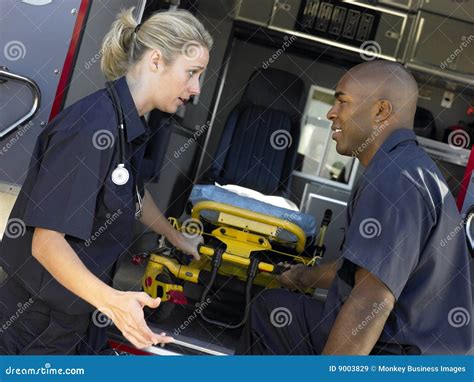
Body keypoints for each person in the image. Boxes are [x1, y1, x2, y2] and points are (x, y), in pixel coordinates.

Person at [0, 8, 213, 355]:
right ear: (156, 61)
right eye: (192, 73)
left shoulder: (128, 126)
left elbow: (131, 195)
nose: (195, 89)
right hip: (34, 323)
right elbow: (47, 243)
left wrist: (175, 237)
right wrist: (115, 303)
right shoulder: (90, 128)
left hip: (80, 311)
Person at [235, 60, 473, 355]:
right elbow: (362, 268)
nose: (331, 113)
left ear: (380, 112)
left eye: (342, 101)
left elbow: (372, 300)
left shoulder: (395, 180)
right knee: (281, 308)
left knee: (270, 312)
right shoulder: (407, 168)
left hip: (400, 356)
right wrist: (303, 276)